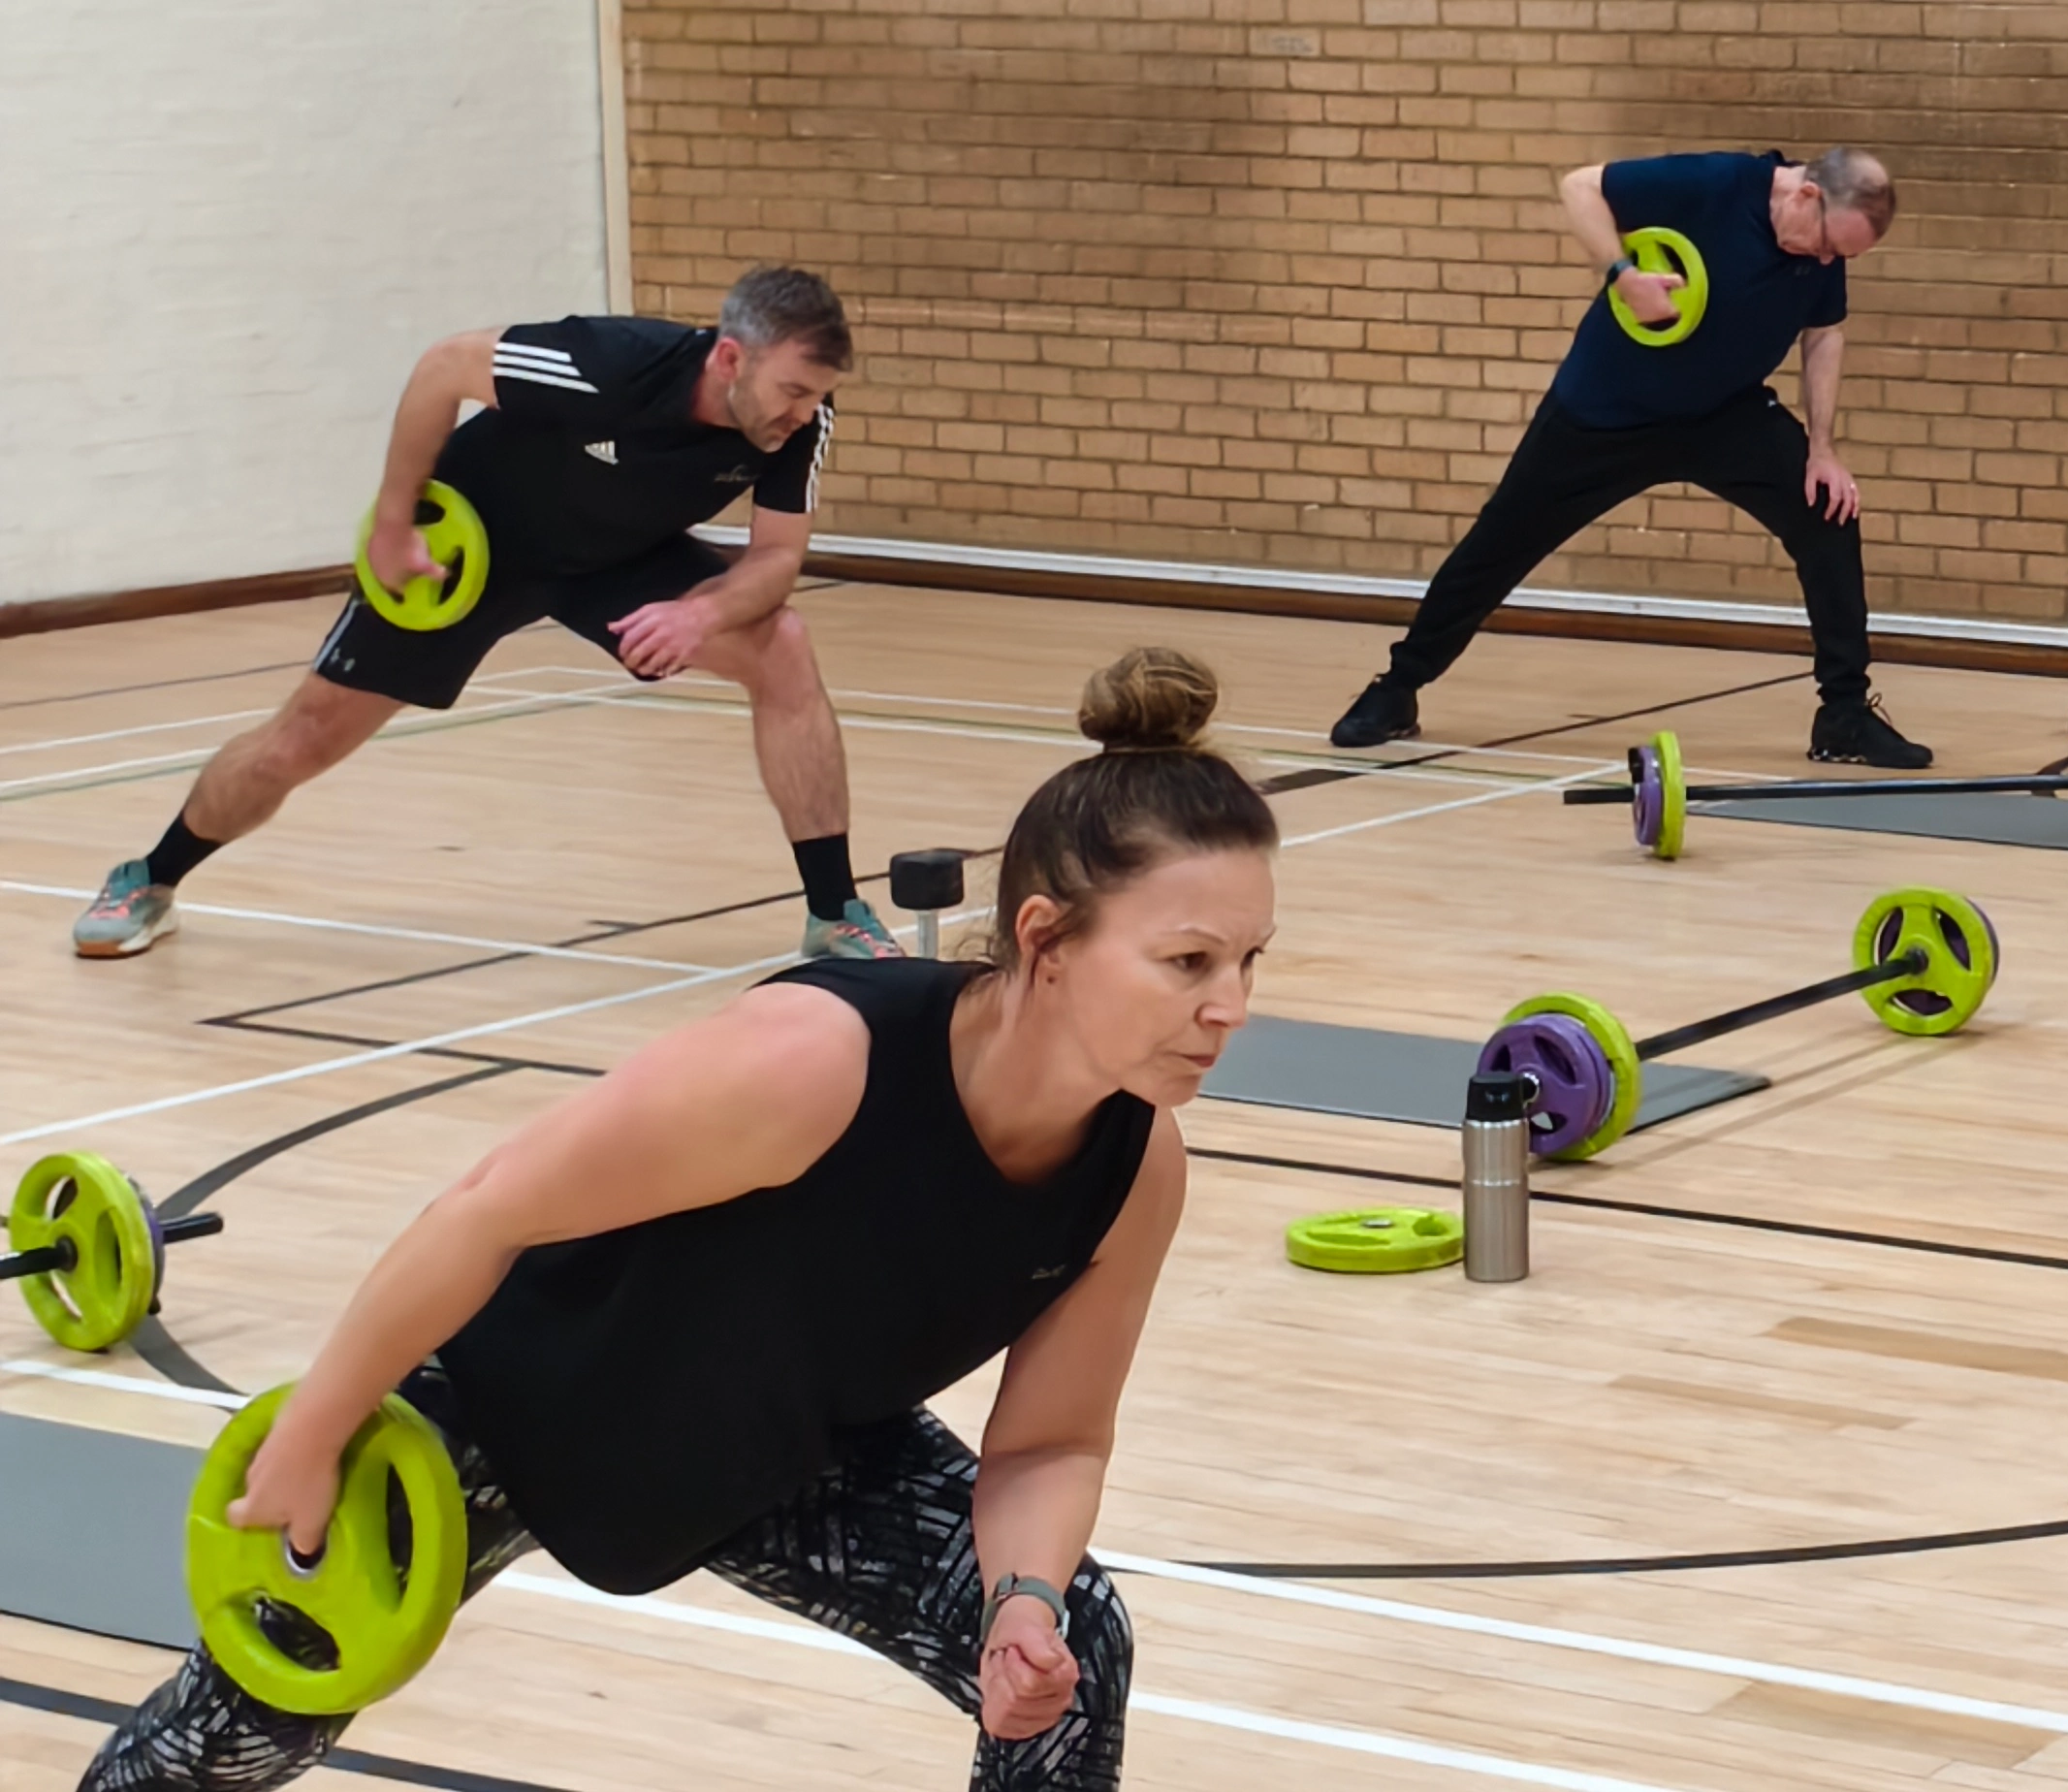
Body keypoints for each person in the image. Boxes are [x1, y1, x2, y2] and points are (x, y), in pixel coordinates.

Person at [80, 648, 1278, 1791]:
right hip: (514, 1398)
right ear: (1045, 940)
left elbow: (1050, 1445)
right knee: (236, 1731)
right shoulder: (810, 1065)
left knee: (1076, 1646)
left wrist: (1021, 1600)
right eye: (1187, 962)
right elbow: (486, 1211)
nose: (1229, 1006)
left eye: (1248, 961)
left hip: (780, 1445)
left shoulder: (1137, 1169)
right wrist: (315, 1431)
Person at [73, 266, 901, 963]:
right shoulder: (606, 363)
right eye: (793, 390)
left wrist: (702, 616)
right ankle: (149, 877)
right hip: (473, 548)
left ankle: (835, 913)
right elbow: (445, 367)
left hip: (616, 559)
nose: (803, 412)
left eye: (817, 396)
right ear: (729, 358)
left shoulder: (798, 423)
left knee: (782, 645)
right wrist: (395, 520)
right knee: (304, 737)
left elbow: (776, 559)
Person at [1324, 146, 1936, 768]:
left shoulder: (1823, 248)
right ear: (1806, 196)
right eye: (1828, 245)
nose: (1827, 261)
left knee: (1827, 514)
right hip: (1605, 413)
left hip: (1725, 414)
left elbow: (1824, 333)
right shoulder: (1716, 183)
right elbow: (1579, 185)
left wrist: (1822, 450)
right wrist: (1621, 274)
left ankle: (1844, 716)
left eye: (1842, 256)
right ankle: (1397, 688)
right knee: (1499, 543)